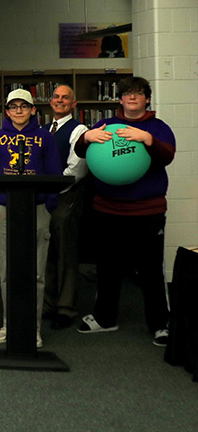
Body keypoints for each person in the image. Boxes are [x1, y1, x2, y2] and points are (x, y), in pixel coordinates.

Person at [75, 77, 174, 347]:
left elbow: (168, 156)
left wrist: (148, 139)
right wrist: (86, 137)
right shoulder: (104, 125)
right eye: (128, 94)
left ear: (147, 99)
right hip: (108, 208)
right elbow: (80, 151)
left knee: (151, 270)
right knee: (107, 267)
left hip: (148, 210)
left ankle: (160, 324)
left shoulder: (158, 127)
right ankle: (105, 318)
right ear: (120, 99)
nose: (132, 98)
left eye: (139, 94)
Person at [0, 89, 60, 348]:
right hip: (5, 211)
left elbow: (54, 176)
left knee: (36, 273)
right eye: (13, 107)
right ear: (6, 111)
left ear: (32, 110)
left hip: (37, 209)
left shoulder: (45, 138)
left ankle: (32, 328)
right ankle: (9, 324)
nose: (18, 111)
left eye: (23, 106)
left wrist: (48, 207)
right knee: (6, 272)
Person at [43, 85, 89, 330]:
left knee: (65, 253)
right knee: (47, 252)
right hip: (45, 199)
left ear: (74, 104)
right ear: (50, 102)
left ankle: (65, 308)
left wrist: (50, 188)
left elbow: (77, 170)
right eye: (56, 97)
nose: (60, 101)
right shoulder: (43, 129)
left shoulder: (79, 130)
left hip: (66, 197)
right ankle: (48, 304)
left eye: (65, 98)